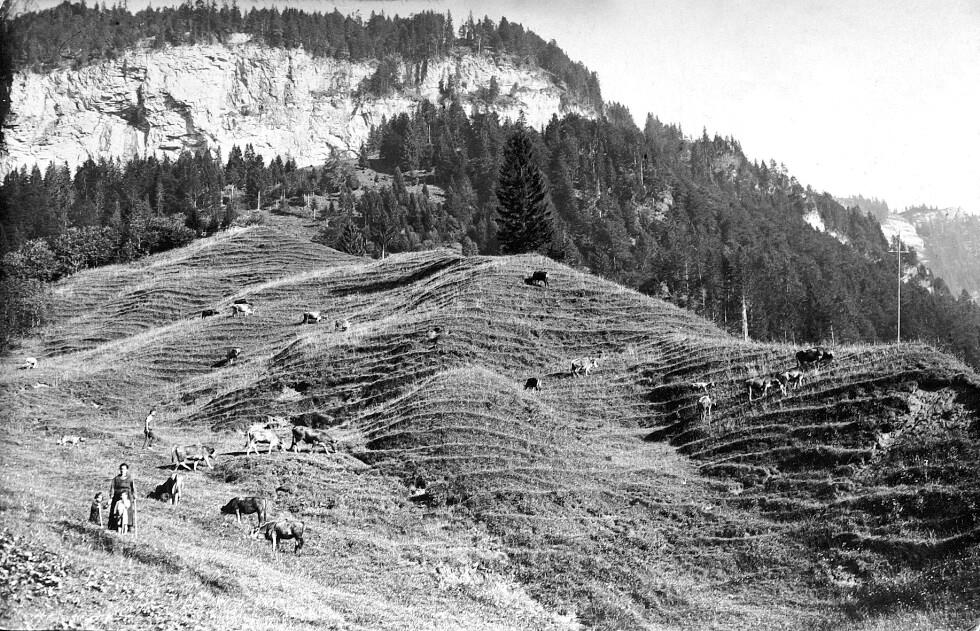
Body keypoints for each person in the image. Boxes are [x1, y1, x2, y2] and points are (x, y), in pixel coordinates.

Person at [108, 463, 137, 533]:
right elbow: (112, 488)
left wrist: (134, 495)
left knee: (128, 511)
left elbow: (133, 488)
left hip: (127, 497)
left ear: (127, 470)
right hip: (117, 497)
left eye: (124, 469)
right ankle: (114, 526)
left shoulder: (130, 479)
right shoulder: (116, 479)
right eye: (121, 469)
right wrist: (111, 496)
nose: (122, 470)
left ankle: (129, 526)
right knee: (116, 511)